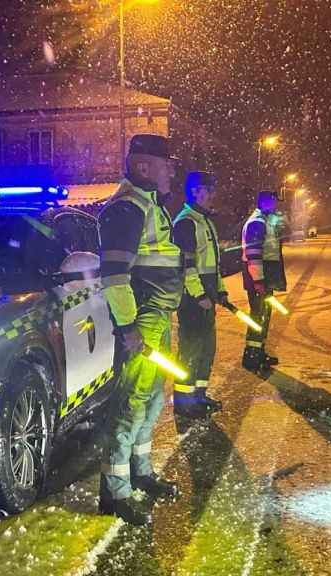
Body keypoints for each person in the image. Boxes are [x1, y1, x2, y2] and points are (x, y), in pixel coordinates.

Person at [97, 134, 183, 526]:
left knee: (149, 400)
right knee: (131, 400)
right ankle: (115, 492)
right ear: (145, 166)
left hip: (157, 315)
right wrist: (130, 327)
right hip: (144, 317)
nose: (172, 171)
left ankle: (141, 471)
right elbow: (115, 276)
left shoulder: (149, 205)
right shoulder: (128, 209)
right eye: (167, 164)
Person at [171, 171, 227, 419]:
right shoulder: (186, 222)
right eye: (209, 190)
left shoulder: (204, 221)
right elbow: (187, 266)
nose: (214, 196)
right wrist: (198, 295)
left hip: (206, 297)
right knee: (190, 351)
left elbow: (213, 264)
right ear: (195, 191)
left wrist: (220, 290)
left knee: (206, 349)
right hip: (192, 300)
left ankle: (199, 397)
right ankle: (184, 402)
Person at [241, 190, 288, 373]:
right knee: (258, 316)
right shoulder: (257, 223)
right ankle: (252, 357)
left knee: (264, 315)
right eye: (274, 202)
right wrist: (258, 280)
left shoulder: (265, 221)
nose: (276, 205)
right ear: (266, 202)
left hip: (264, 278)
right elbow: (253, 254)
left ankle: (259, 352)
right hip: (259, 278)